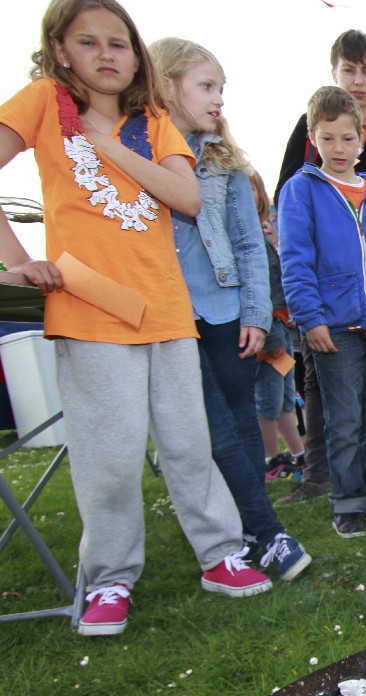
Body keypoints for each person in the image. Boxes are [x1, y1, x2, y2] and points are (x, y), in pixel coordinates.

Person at [0, 0, 271, 636]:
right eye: (88, 41)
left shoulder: (152, 119)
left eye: (118, 43)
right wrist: (18, 260)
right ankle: (110, 578)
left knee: (189, 445)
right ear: (59, 49)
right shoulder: (43, 102)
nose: (105, 54)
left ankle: (220, 554)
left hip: (167, 311)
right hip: (90, 309)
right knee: (110, 455)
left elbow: (187, 196)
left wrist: (105, 145)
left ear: (137, 53)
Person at [151, 37, 311, 581]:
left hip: (225, 313)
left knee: (240, 421)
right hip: (169, 313)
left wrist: (256, 314)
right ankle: (267, 532)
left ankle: (248, 529)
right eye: (206, 86)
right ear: (165, 84)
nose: (218, 98)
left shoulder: (227, 163)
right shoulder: (139, 154)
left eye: (221, 88)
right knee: (210, 426)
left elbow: (248, 245)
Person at [274, 29, 366, 507]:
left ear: (362, 137)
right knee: (339, 414)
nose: (339, 147)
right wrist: (308, 315)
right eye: (327, 138)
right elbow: (294, 252)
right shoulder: (302, 186)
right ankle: (342, 498)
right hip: (331, 319)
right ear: (313, 138)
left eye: (348, 137)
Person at [248, 170, 306, 479]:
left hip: (280, 325)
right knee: (268, 397)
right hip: (267, 326)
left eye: (252, 189)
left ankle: (298, 453)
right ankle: (270, 460)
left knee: (285, 395)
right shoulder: (246, 238)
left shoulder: (262, 234)